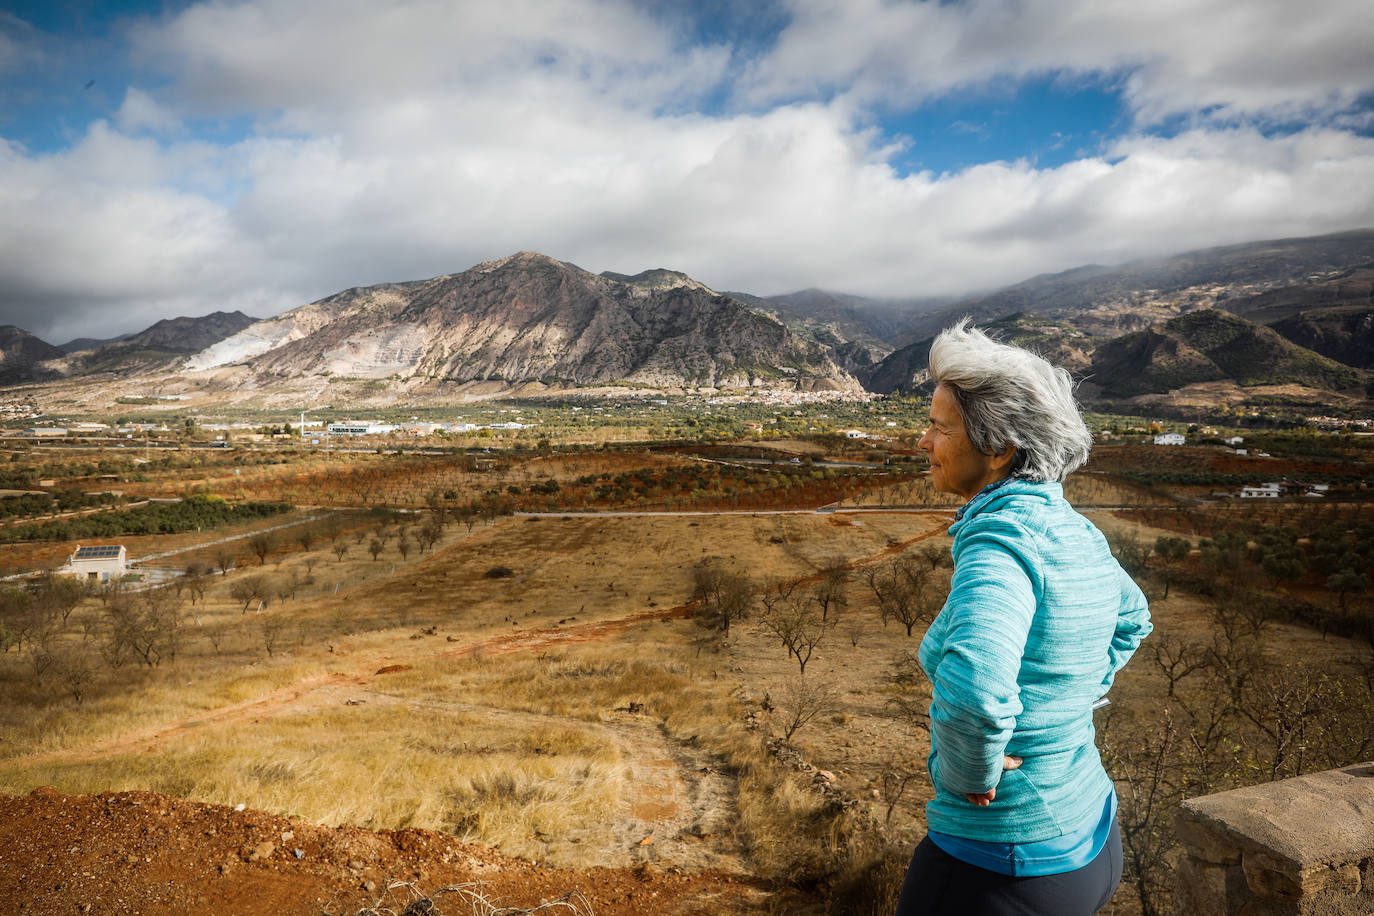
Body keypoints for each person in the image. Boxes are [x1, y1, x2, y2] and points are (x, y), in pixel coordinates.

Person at [895, 321, 1152, 916]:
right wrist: (1062, 705)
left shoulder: (998, 540)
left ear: (1000, 449)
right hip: (1093, 833)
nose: (921, 441)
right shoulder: (1072, 527)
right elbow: (1132, 617)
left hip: (999, 863)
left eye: (937, 426)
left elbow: (974, 693)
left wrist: (969, 774)